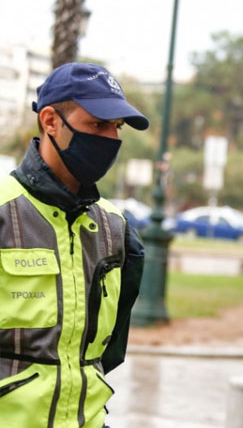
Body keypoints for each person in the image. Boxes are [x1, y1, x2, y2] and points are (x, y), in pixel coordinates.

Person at [0, 62, 148, 427]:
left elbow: (109, 354)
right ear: (50, 121)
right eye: (97, 125)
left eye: (117, 128)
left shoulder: (119, 231)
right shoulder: (4, 214)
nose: (111, 140)